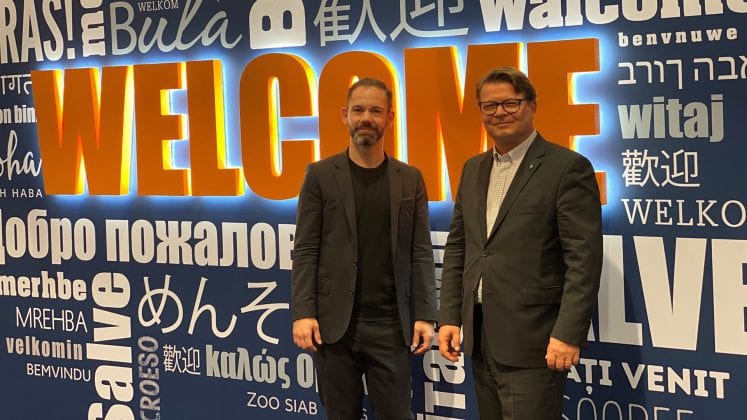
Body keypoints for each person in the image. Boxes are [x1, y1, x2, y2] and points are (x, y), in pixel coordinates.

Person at [437, 67, 603, 420]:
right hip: (480, 336)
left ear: (532, 106)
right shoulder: (472, 169)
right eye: (489, 106)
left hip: (535, 343)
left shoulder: (566, 168)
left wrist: (568, 334)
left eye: (510, 103)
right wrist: (449, 316)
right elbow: (460, 248)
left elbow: (583, 261)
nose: (499, 113)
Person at [291, 77, 437, 420]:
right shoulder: (320, 175)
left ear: (390, 118)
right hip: (334, 326)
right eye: (358, 110)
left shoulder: (410, 178)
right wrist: (303, 312)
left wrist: (425, 314)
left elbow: (420, 250)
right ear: (345, 115)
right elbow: (306, 249)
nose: (366, 118)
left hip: (390, 324)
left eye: (375, 111)